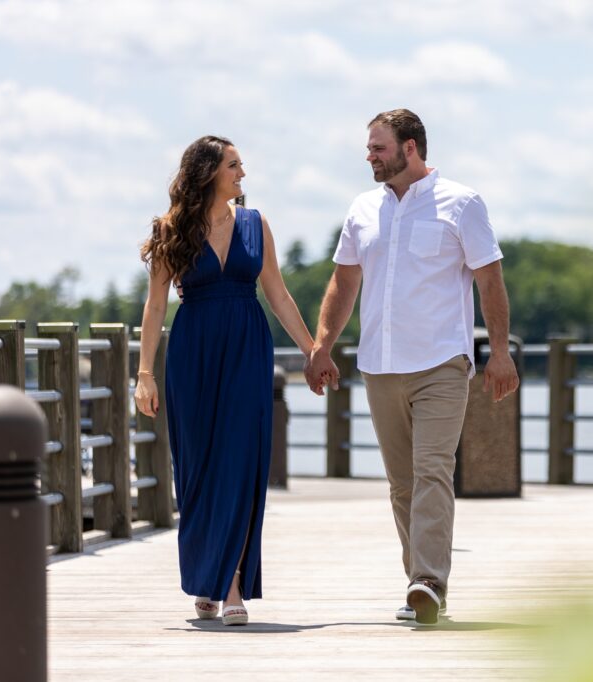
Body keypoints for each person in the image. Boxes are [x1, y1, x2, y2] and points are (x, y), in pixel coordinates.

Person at [305, 109, 519, 626]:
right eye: (370, 148)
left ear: (411, 148)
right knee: (402, 483)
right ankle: (418, 584)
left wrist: (500, 353)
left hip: (442, 363)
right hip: (379, 365)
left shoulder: (462, 204)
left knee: (431, 472)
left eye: (379, 147)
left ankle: (429, 581)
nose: (370, 156)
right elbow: (344, 283)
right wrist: (322, 346)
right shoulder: (362, 210)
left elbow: (489, 280)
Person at [135, 135, 314, 626]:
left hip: (245, 349)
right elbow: (154, 307)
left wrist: (312, 350)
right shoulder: (174, 228)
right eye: (234, 165)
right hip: (192, 353)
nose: (242, 174)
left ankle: (230, 582)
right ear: (209, 171)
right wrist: (144, 374)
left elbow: (277, 294)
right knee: (197, 469)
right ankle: (205, 577)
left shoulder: (256, 224)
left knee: (239, 463)